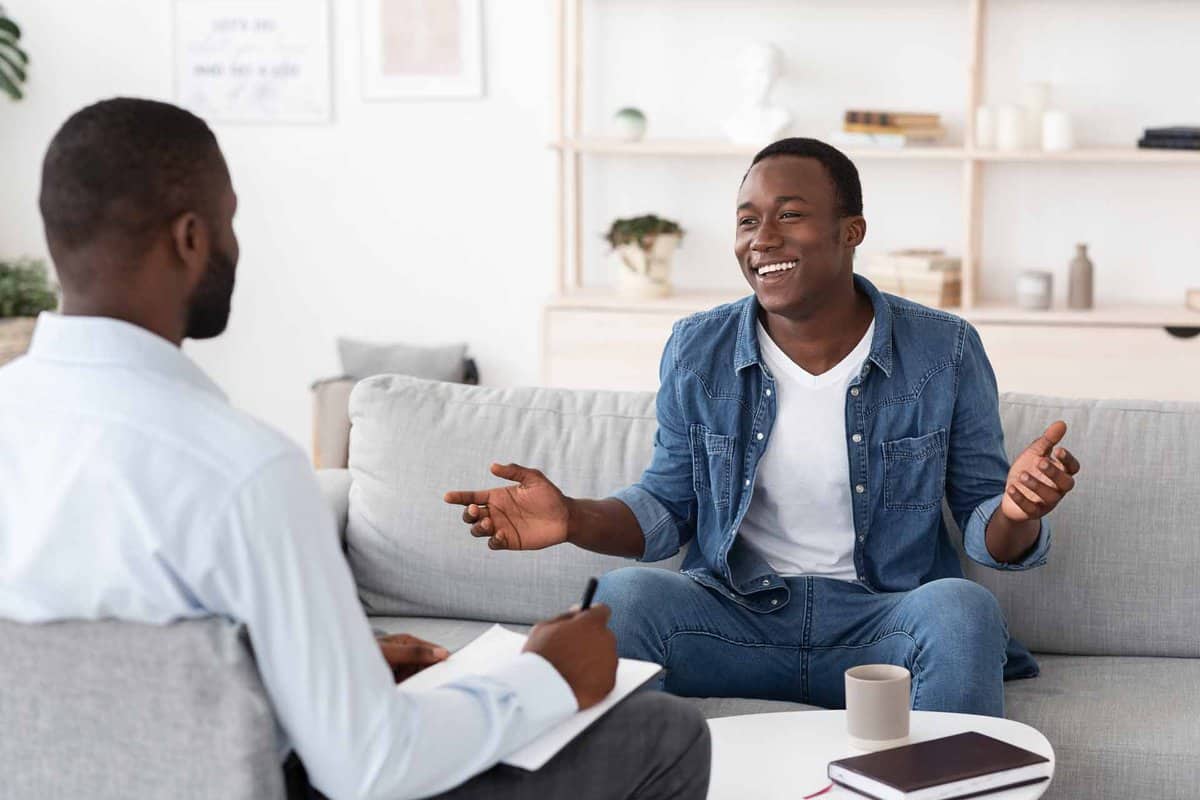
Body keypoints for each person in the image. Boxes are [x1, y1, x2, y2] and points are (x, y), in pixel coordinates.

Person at [0, 98, 710, 800]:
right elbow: (370, 765)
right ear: (190, 238)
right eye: (230, 221)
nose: (236, 247)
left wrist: (338, 668)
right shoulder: (242, 471)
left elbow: (111, 691)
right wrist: (546, 676)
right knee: (662, 734)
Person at [446, 137, 1081, 718]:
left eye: (790, 214)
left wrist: (1018, 509)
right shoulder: (698, 349)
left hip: (881, 629)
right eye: (748, 220)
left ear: (850, 231)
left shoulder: (944, 350)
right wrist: (573, 518)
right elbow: (668, 504)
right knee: (626, 598)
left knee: (962, 609)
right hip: (735, 622)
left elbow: (986, 531)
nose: (762, 237)